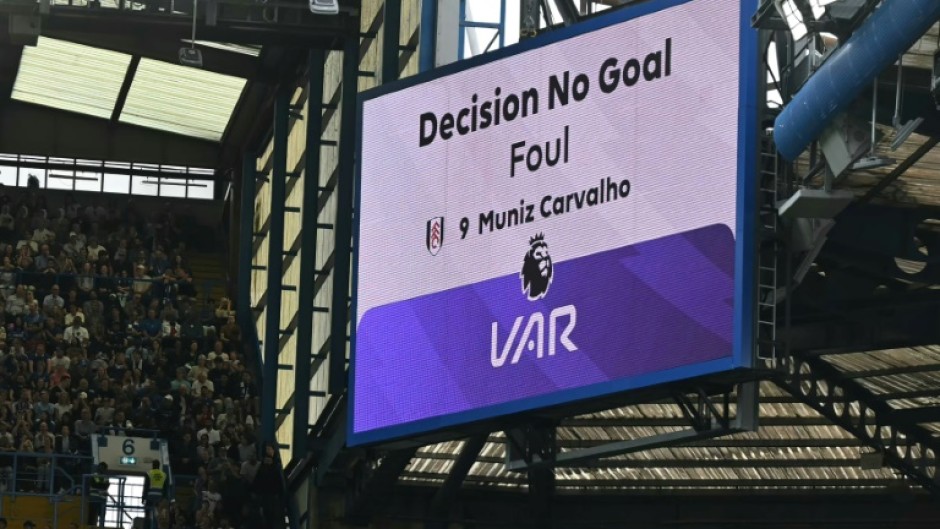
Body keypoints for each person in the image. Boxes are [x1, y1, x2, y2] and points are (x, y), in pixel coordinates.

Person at [87, 462, 110, 528]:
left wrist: (100, 485)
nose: (101, 469)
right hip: (94, 498)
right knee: (92, 514)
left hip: (102, 498)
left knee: (102, 515)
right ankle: (91, 527)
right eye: (100, 467)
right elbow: (96, 484)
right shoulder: (94, 475)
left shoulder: (106, 477)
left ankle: (101, 527)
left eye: (103, 468)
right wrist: (101, 485)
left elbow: (105, 486)